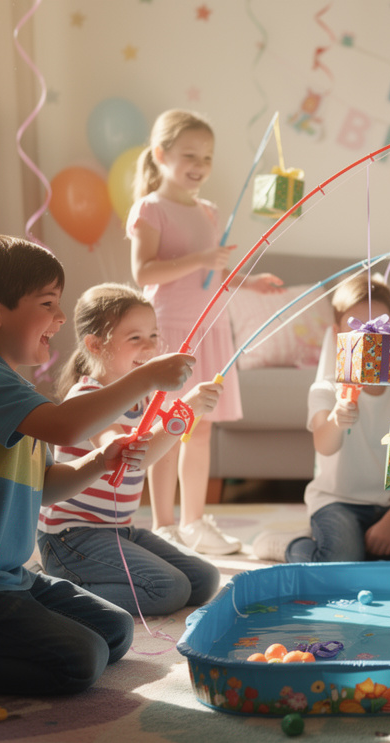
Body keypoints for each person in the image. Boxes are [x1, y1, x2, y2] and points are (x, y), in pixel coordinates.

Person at [0, 234, 196, 696]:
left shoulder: (13, 390)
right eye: (48, 303)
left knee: (114, 630)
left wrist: (98, 461)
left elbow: (45, 486)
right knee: (78, 661)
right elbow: (68, 426)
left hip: (3, 578)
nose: (61, 318)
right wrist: (146, 375)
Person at [128, 108, 282, 555]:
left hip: (209, 331)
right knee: (168, 426)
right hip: (171, 331)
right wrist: (201, 259)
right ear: (160, 155)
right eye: (189, 155)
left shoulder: (210, 211)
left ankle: (194, 521)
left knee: (201, 428)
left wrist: (246, 281)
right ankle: (163, 525)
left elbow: (215, 275)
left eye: (207, 158)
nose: (199, 165)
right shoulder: (150, 209)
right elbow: (143, 271)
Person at [37, 283, 224, 616]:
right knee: (170, 589)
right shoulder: (86, 396)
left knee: (205, 579)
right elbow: (130, 456)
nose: (150, 347)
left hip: (118, 530)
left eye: (154, 335)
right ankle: (50, 594)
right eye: (135, 338)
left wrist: (180, 414)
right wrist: (186, 411)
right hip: (70, 538)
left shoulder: (143, 398)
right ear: (95, 345)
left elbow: (161, 448)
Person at [250, 275, 390, 563]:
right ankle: (291, 545)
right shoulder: (326, 389)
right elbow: (324, 444)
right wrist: (337, 418)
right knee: (341, 559)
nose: (370, 340)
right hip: (335, 503)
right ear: (337, 335)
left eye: (381, 328)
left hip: (387, 506)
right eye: (358, 329)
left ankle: (363, 546)